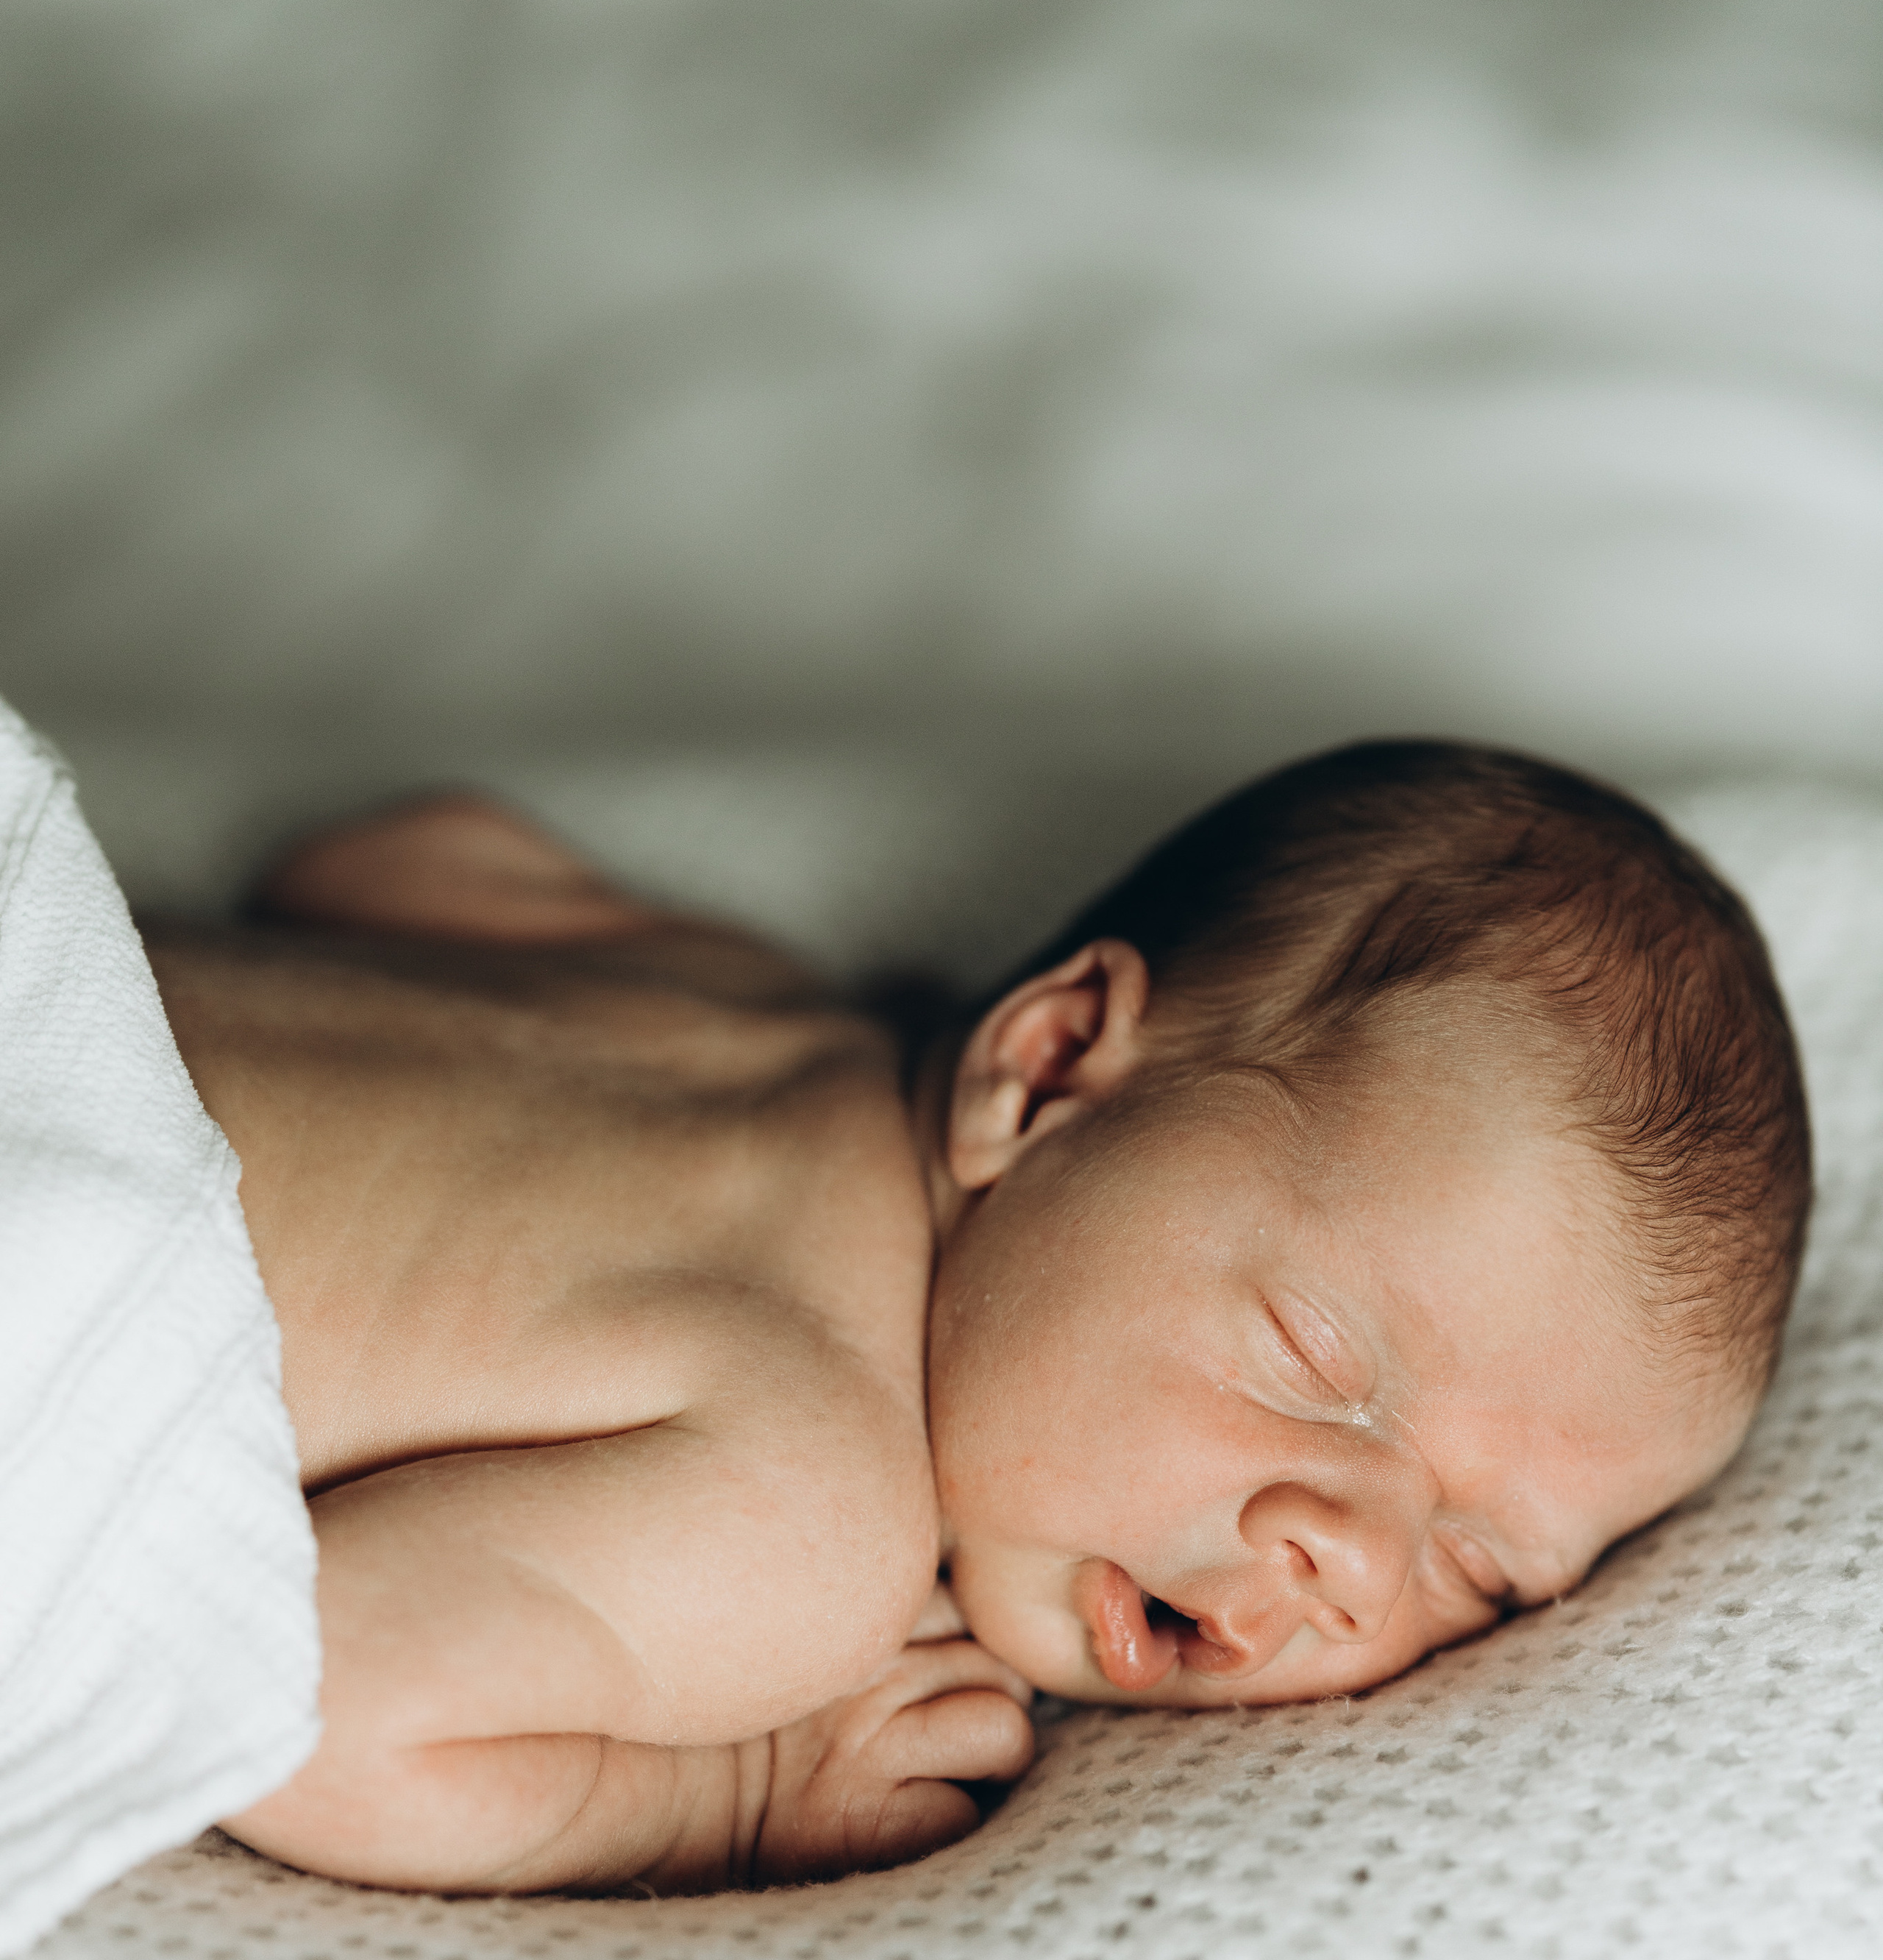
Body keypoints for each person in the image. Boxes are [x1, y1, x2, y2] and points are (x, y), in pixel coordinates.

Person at [140, 739, 1810, 1897]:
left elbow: (380, 855)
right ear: (1051, 1065)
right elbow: (311, 1709)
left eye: (1477, 1572)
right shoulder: (808, 1506)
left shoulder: (730, 988)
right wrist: (729, 1791)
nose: (1353, 1563)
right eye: (1319, 1369)